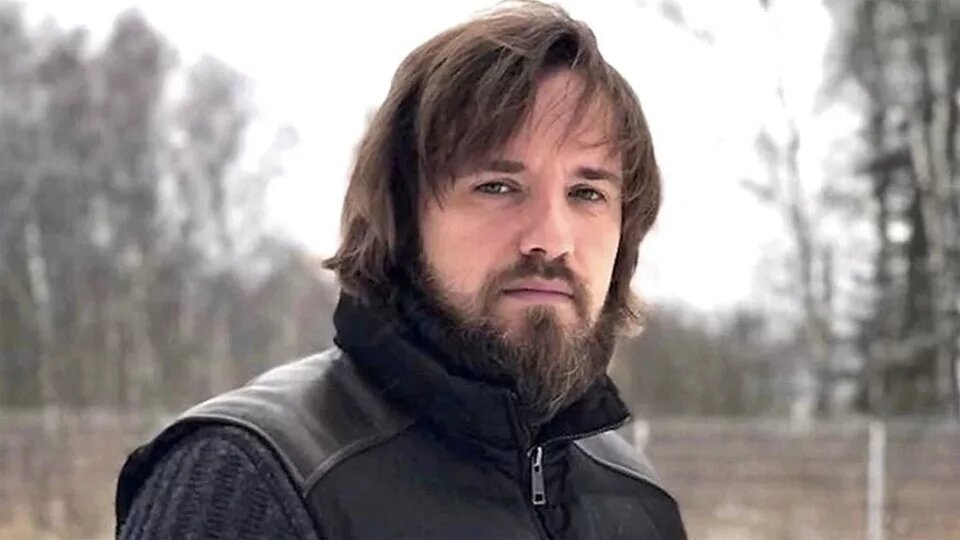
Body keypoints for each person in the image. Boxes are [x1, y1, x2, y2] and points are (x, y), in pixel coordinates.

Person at [114, 2, 687, 538]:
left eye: (587, 193)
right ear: (403, 216)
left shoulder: (639, 503)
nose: (551, 240)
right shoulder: (252, 478)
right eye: (497, 186)